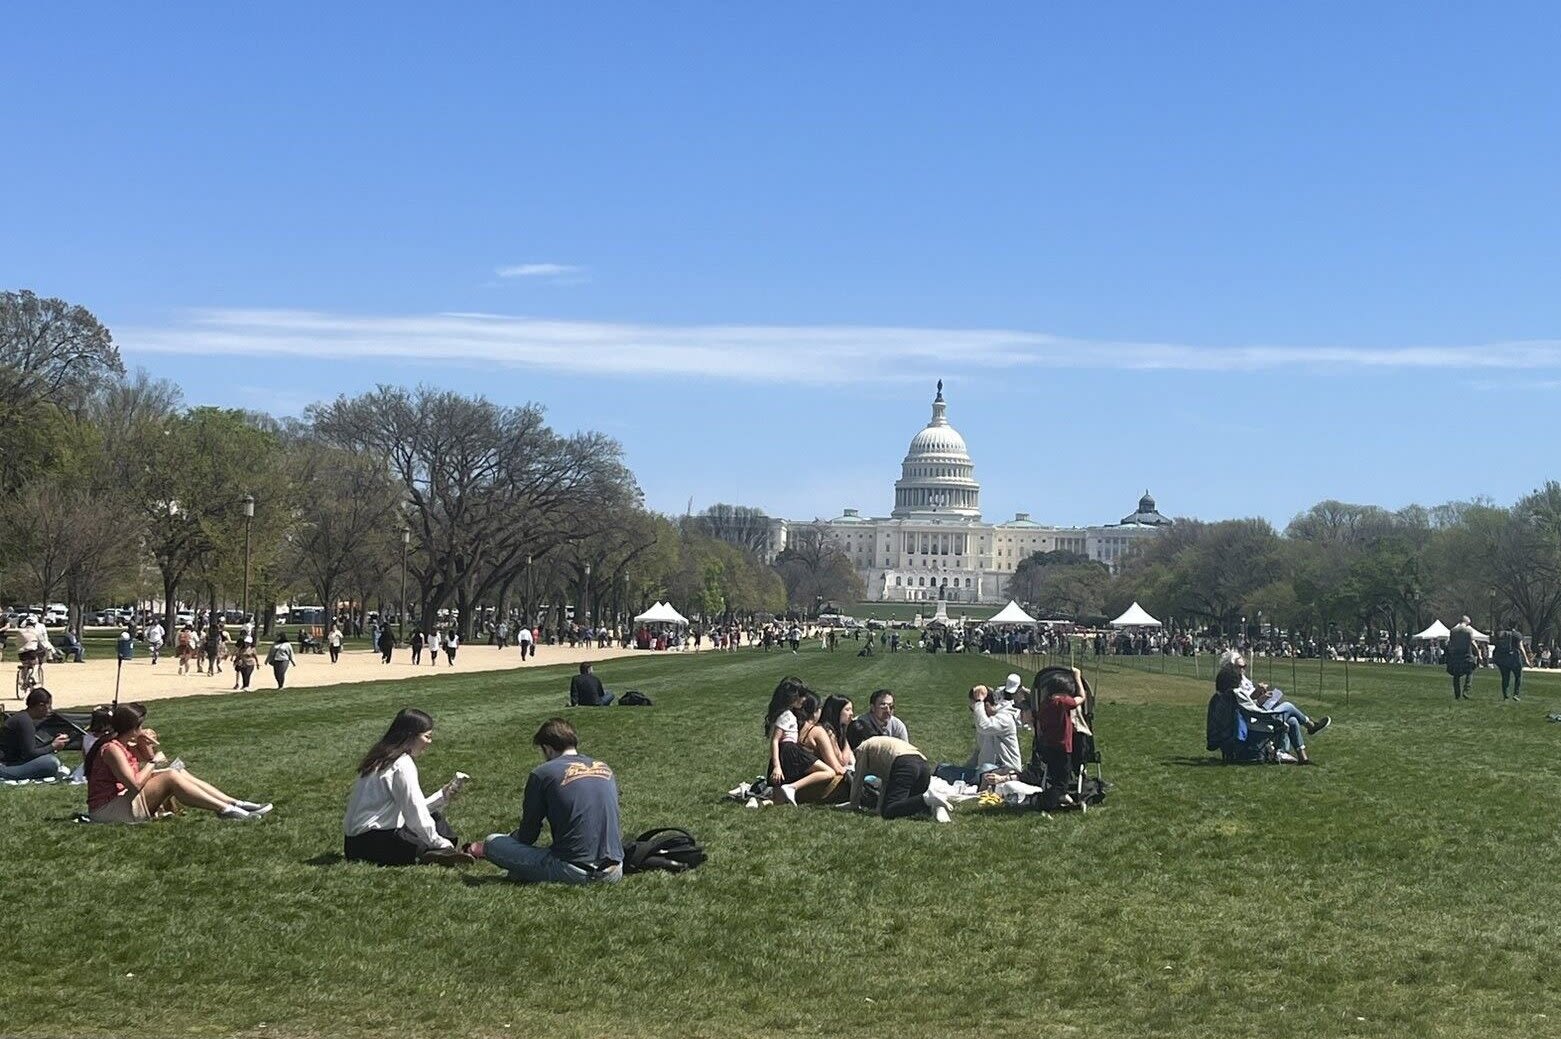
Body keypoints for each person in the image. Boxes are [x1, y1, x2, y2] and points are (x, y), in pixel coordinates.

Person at [467, 718, 623, 885]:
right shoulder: (604, 767)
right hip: (614, 871)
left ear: (547, 749)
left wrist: (510, 839)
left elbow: (528, 834)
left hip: (574, 871)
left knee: (493, 842)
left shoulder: (543, 773)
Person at [84, 704, 271, 822]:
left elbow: (148, 757)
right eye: (139, 726)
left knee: (177, 770)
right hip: (107, 810)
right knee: (170, 776)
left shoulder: (125, 743)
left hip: (121, 800)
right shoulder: (112, 749)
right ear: (131, 728)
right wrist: (154, 763)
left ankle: (234, 803)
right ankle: (226, 810)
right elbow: (134, 785)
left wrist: (143, 741)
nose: (142, 729)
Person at [343, 708, 472, 866]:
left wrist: (442, 796)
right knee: (427, 839)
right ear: (410, 736)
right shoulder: (402, 763)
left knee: (435, 819)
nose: (429, 742)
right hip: (373, 843)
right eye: (427, 737)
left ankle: (436, 852)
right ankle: (435, 853)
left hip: (353, 844)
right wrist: (440, 842)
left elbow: (411, 809)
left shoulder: (380, 758)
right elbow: (414, 812)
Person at [846, 718, 950, 822]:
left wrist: (853, 805)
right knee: (909, 804)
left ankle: (927, 799)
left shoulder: (862, 748)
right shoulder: (881, 744)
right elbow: (886, 781)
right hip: (923, 764)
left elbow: (858, 779)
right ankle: (935, 808)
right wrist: (878, 809)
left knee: (889, 810)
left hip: (905, 764)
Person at [764, 677, 837, 804]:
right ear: (792, 697)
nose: (804, 700)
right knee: (829, 772)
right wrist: (777, 767)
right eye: (802, 696)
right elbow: (775, 740)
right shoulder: (786, 715)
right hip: (789, 750)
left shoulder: (782, 713)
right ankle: (793, 787)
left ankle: (760, 800)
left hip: (783, 753)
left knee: (778, 801)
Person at [0, 687, 70, 782]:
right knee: (51, 762)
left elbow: (29, 748)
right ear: (41, 706)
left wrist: (52, 743)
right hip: (5, 767)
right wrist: (52, 746)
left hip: (11, 762)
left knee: (49, 760)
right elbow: (29, 753)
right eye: (49, 707)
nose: (50, 710)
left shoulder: (23, 718)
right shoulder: (24, 721)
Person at [968, 684, 1023, 774]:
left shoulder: (1005, 719)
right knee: (942, 769)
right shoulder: (986, 721)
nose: (975, 712)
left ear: (986, 705)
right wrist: (965, 769)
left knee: (985, 768)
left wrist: (978, 701)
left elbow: (984, 726)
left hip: (1006, 773)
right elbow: (979, 752)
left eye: (973, 708)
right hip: (986, 772)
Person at [1494, 622, 1534, 701]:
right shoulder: (1517, 635)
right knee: (1518, 676)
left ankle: (1505, 696)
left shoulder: (1502, 636)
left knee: (1505, 678)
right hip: (1514, 659)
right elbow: (1520, 647)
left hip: (1503, 659)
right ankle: (1516, 694)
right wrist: (1526, 660)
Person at [819, 695, 856, 772]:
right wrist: (847, 737)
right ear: (837, 711)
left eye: (851, 710)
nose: (851, 713)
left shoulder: (840, 728)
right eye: (847, 710)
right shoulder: (828, 731)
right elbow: (842, 761)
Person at [1447, 616, 1479, 700]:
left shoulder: (1453, 631)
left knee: (1456, 675)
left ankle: (1457, 694)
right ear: (1466, 622)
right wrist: (1479, 654)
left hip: (1456, 655)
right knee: (1470, 672)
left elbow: (1450, 644)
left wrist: (1451, 654)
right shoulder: (1468, 631)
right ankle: (1466, 691)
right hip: (1466, 654)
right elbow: (1473, 643)